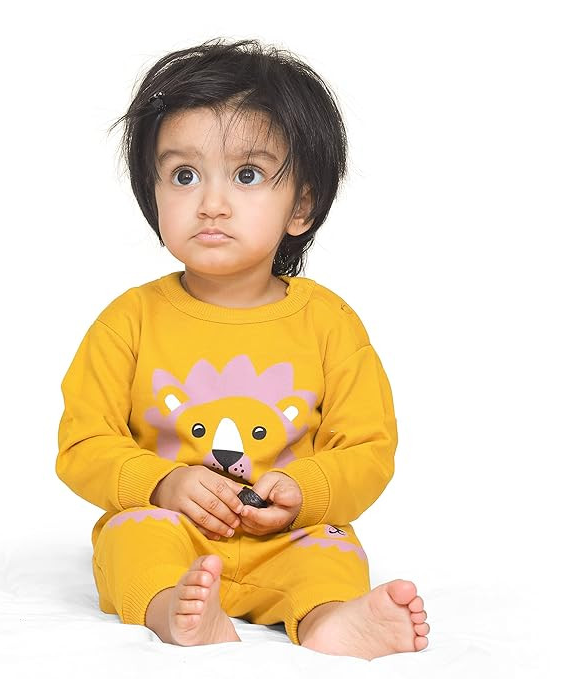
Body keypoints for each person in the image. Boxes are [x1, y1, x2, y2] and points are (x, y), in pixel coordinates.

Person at [56, 37, 429, 659]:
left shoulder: (329, 323)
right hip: (173, 530)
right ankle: (173, 610)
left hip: (286, 534)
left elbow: (368, 447)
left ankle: (329, 619)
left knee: (331, 550)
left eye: (247, 175)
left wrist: (303, 490)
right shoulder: (129, 321)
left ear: (301, 205)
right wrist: (162, 482)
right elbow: (82, 443)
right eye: (184, 175)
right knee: (130, 539)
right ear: (153, 193)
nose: (211, 204)